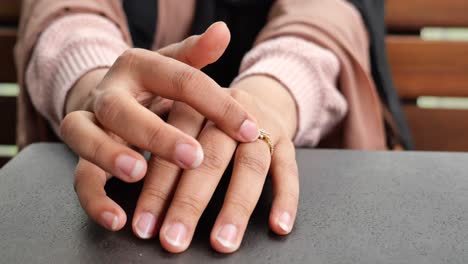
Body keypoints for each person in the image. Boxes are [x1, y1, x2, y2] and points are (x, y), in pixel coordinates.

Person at [15, 0, 412, 254]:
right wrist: (98, 89)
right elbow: (68, 14)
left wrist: (267, 98)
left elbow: (327, 15)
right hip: (121, 201)